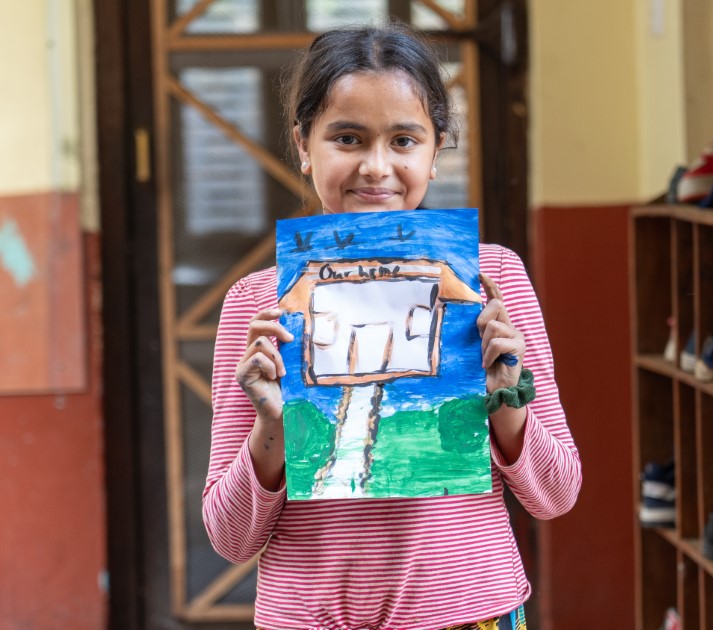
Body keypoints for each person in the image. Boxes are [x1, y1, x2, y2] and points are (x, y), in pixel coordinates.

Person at [203, 22, 581, 630]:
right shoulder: (259, 306)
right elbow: (229, 538)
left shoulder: (493, 283)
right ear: (304, 145)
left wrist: (506, 398)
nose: (376, 167)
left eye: (404, 140)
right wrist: (273, 425)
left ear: (436, 149)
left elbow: (556, 494)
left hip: (468, 615)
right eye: (347, 138)